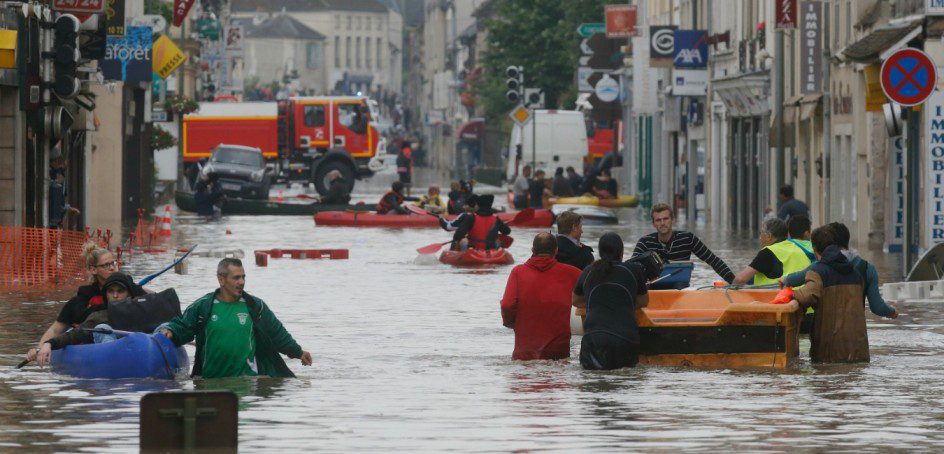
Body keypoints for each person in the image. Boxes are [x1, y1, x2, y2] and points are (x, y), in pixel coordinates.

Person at [159, 258, 312, 378]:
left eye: (243, 277)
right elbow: (184, 326)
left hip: (247, 380)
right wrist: (171, 331)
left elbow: (277, 333)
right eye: (236, 278)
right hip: (211, 381)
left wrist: (298, 352)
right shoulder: (203, 306)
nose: (242, 282)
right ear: (221, 279)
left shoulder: (255, 306)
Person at [24, 242, 146, 363]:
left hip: (130, 338)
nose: (112, 268)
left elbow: (151, 301)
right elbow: (56, 329)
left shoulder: (131, 288)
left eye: (113, 263)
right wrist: (40, 348)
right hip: (96, 340)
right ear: (93, 270)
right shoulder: (81, 300)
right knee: (102, 328)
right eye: (106, 265)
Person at [782, 222, 898, 320]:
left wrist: (784, 280)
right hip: (857, 339)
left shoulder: (818, 268)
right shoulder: (868, 269)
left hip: (826, 340)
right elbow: (877, 307)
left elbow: (797, 279)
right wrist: (893, 312)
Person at [791, 227, 870, 363]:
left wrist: (789, 293)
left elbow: (805, 297)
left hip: (830, 351)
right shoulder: (856, 273)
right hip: (858, 349)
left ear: (815, 249)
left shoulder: (818, 271)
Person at [572, 233, 649, 370]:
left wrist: (596, 302)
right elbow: (643, 301)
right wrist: (623, 303)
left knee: (593, 384)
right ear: (621, 252)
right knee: (623, 384)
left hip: (593, 339)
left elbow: (576, 301)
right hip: (624, 339)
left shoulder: (589, 271)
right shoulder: (633, 270)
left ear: (600, 252)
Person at [500, 233, 582, 360]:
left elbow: (507, 305)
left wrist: (511, 323)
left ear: (532, 250)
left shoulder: (517, 272)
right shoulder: (573, 273)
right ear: (556, 251)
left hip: (525, 352)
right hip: (558, 352)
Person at [632, 203, 736, 283]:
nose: (662, 223)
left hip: (680, 287)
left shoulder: (688, 238)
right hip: (653, 287)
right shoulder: (645, 242)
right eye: (658, 220)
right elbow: (631, 267)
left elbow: (713, 260)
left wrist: (733, 281)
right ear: (653, 224)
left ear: (673, 220)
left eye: (665, 219)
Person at [732, 218, 812, 286]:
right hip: (802, 300)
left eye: (761, 234)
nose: (760, 238)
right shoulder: (799, 248)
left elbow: (739, 280)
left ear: (769, 236)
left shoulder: (768, 252)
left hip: (777, 300)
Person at [48, 153, 79, 229]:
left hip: (58, 219)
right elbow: (57, 202)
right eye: (58, 162)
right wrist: (69, 208)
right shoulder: (53, 177)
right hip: (53, 220)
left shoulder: (60, 176)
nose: (62, 165)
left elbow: (61, 200)